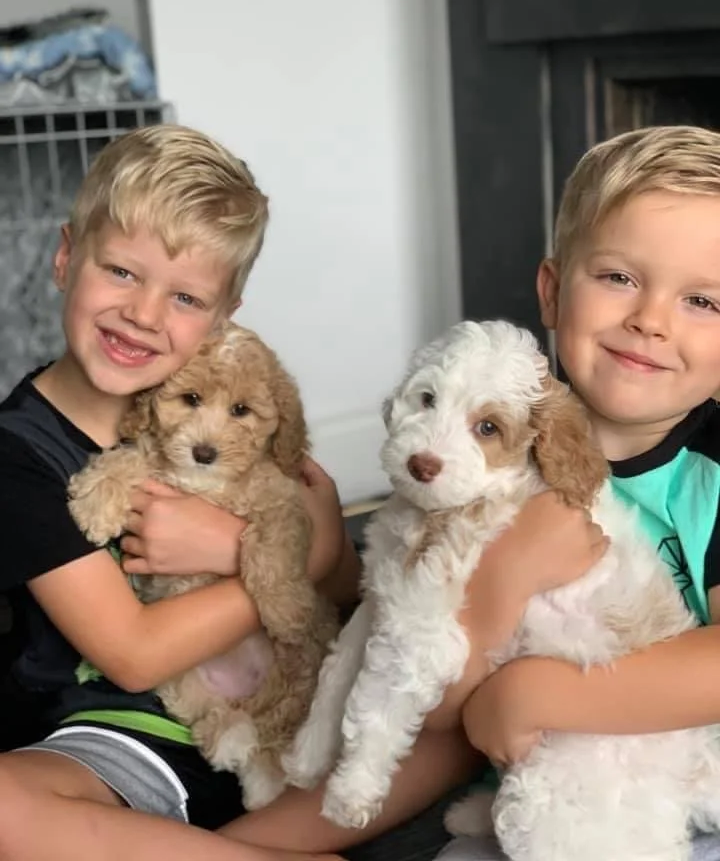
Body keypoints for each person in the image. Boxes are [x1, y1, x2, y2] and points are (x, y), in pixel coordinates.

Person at [0, 123, 604, 861]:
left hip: (293, 720)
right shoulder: (18, 455)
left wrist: (275, 552)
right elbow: (132, 655)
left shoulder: (244, 413)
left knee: (454, 699)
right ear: (66, 257)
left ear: (225, 316)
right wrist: (299, 555)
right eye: (121, 273)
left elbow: (350, 593)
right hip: (129, 739)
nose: (145, 314)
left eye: (186, 296)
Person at [434, 124, 720, 861]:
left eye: (702, 301)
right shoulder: (490, 448)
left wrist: (542, 692)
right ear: (554, 293)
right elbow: (432, 682)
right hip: (547, 789)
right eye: (620, 277)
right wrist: (503, 581)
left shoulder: (715, 472)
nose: (650, 321)